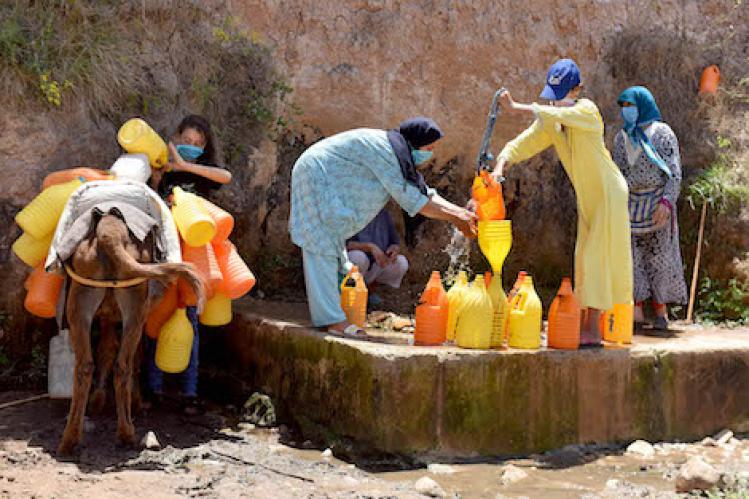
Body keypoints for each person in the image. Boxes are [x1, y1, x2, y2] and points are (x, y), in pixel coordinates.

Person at [289, 117, 476, 338]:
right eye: (429, 147)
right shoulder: (386, 152)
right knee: (320, 242)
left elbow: (425, 193)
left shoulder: (399, 155)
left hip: (326, 181)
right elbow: (414, 201)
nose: (430, 153)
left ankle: (338, 313)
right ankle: (332, 321)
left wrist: (461, 213)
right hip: (315, 175)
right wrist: (456, 219)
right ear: (415, 143)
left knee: (332, 247)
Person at [492, 59, 632, 347]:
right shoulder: (554, 121)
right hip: (588, 198)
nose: (557, 102)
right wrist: (501, 164)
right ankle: (584, 324)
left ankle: (591, 330)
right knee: (584, 258)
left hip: (608, 193)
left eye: (563, 95)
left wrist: (518, 107)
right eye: (555, 97)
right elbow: (525, 141)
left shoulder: (587, 111)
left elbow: (545, 113)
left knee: (596, 258)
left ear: (577, 89)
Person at [147, 114, 231, 414]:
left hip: (196, 254)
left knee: (191, 319)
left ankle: (189, 392)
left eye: (198, 143)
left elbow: (226, 177)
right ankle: (153, 388)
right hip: (166, 251)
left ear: (205, 146)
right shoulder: (162, 168)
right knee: (158, 315)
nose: (191, 146)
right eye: (186, 141)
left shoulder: (201, 172)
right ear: (176, 137)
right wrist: (160, 177)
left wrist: (185, 166)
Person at [612, 86, 688, 330]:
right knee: (632, 259)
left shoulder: (663, 133)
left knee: (660, 259)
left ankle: (660, 312)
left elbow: (674, 172)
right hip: (630, 206)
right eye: (623, 107)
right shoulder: (621, 138)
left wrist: (667, 201)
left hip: (657, 205)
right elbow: (618, 172)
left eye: (630, 106)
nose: (627, 111)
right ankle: (635, 312)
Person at [347, 208, 409, 306]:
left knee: (401, 263)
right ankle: (350, 295)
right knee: (358, 258)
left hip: (377, 263)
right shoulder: (349, 211)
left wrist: (393, 250)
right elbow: (344, 245)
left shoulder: (383, 214)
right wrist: (369, 247)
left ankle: (370, 291)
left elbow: (394, 242)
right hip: (355, 265)